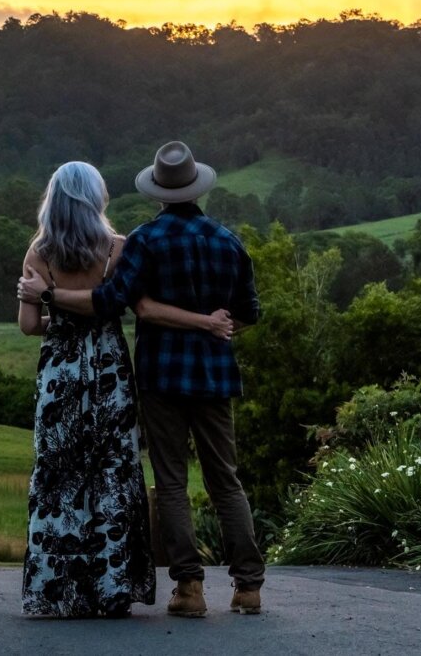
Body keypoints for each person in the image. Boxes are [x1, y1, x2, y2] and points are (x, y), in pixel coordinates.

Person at [18, 142, 266, 618]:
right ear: (198, 188)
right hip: (214, 376)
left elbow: (119, 301)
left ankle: (189, 589)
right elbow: (249, 313)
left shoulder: (147, 241)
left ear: (159, 192)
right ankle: (248, 587)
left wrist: (49, 294)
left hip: (161, 376)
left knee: (171, 483)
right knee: (226, 482)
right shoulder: (228, 242)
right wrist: (213, 322)